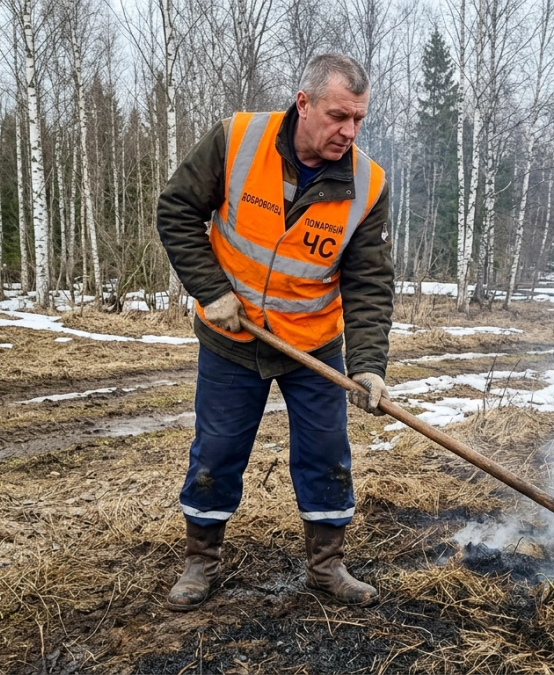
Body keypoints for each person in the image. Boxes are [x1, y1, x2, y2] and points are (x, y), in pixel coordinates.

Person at [154, 54, 393, 612]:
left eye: (358, 119)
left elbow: (368, 283)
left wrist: (367, 365)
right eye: (338, 116)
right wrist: (212, 291)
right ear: (303, 103)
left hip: (312, 345)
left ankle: (327, 566)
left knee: (327, 453)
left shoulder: (368, 185)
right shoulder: (238, 140)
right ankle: (201, 562)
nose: (349, 132)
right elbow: (177, 210)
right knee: (217, 450)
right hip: (231, 338)